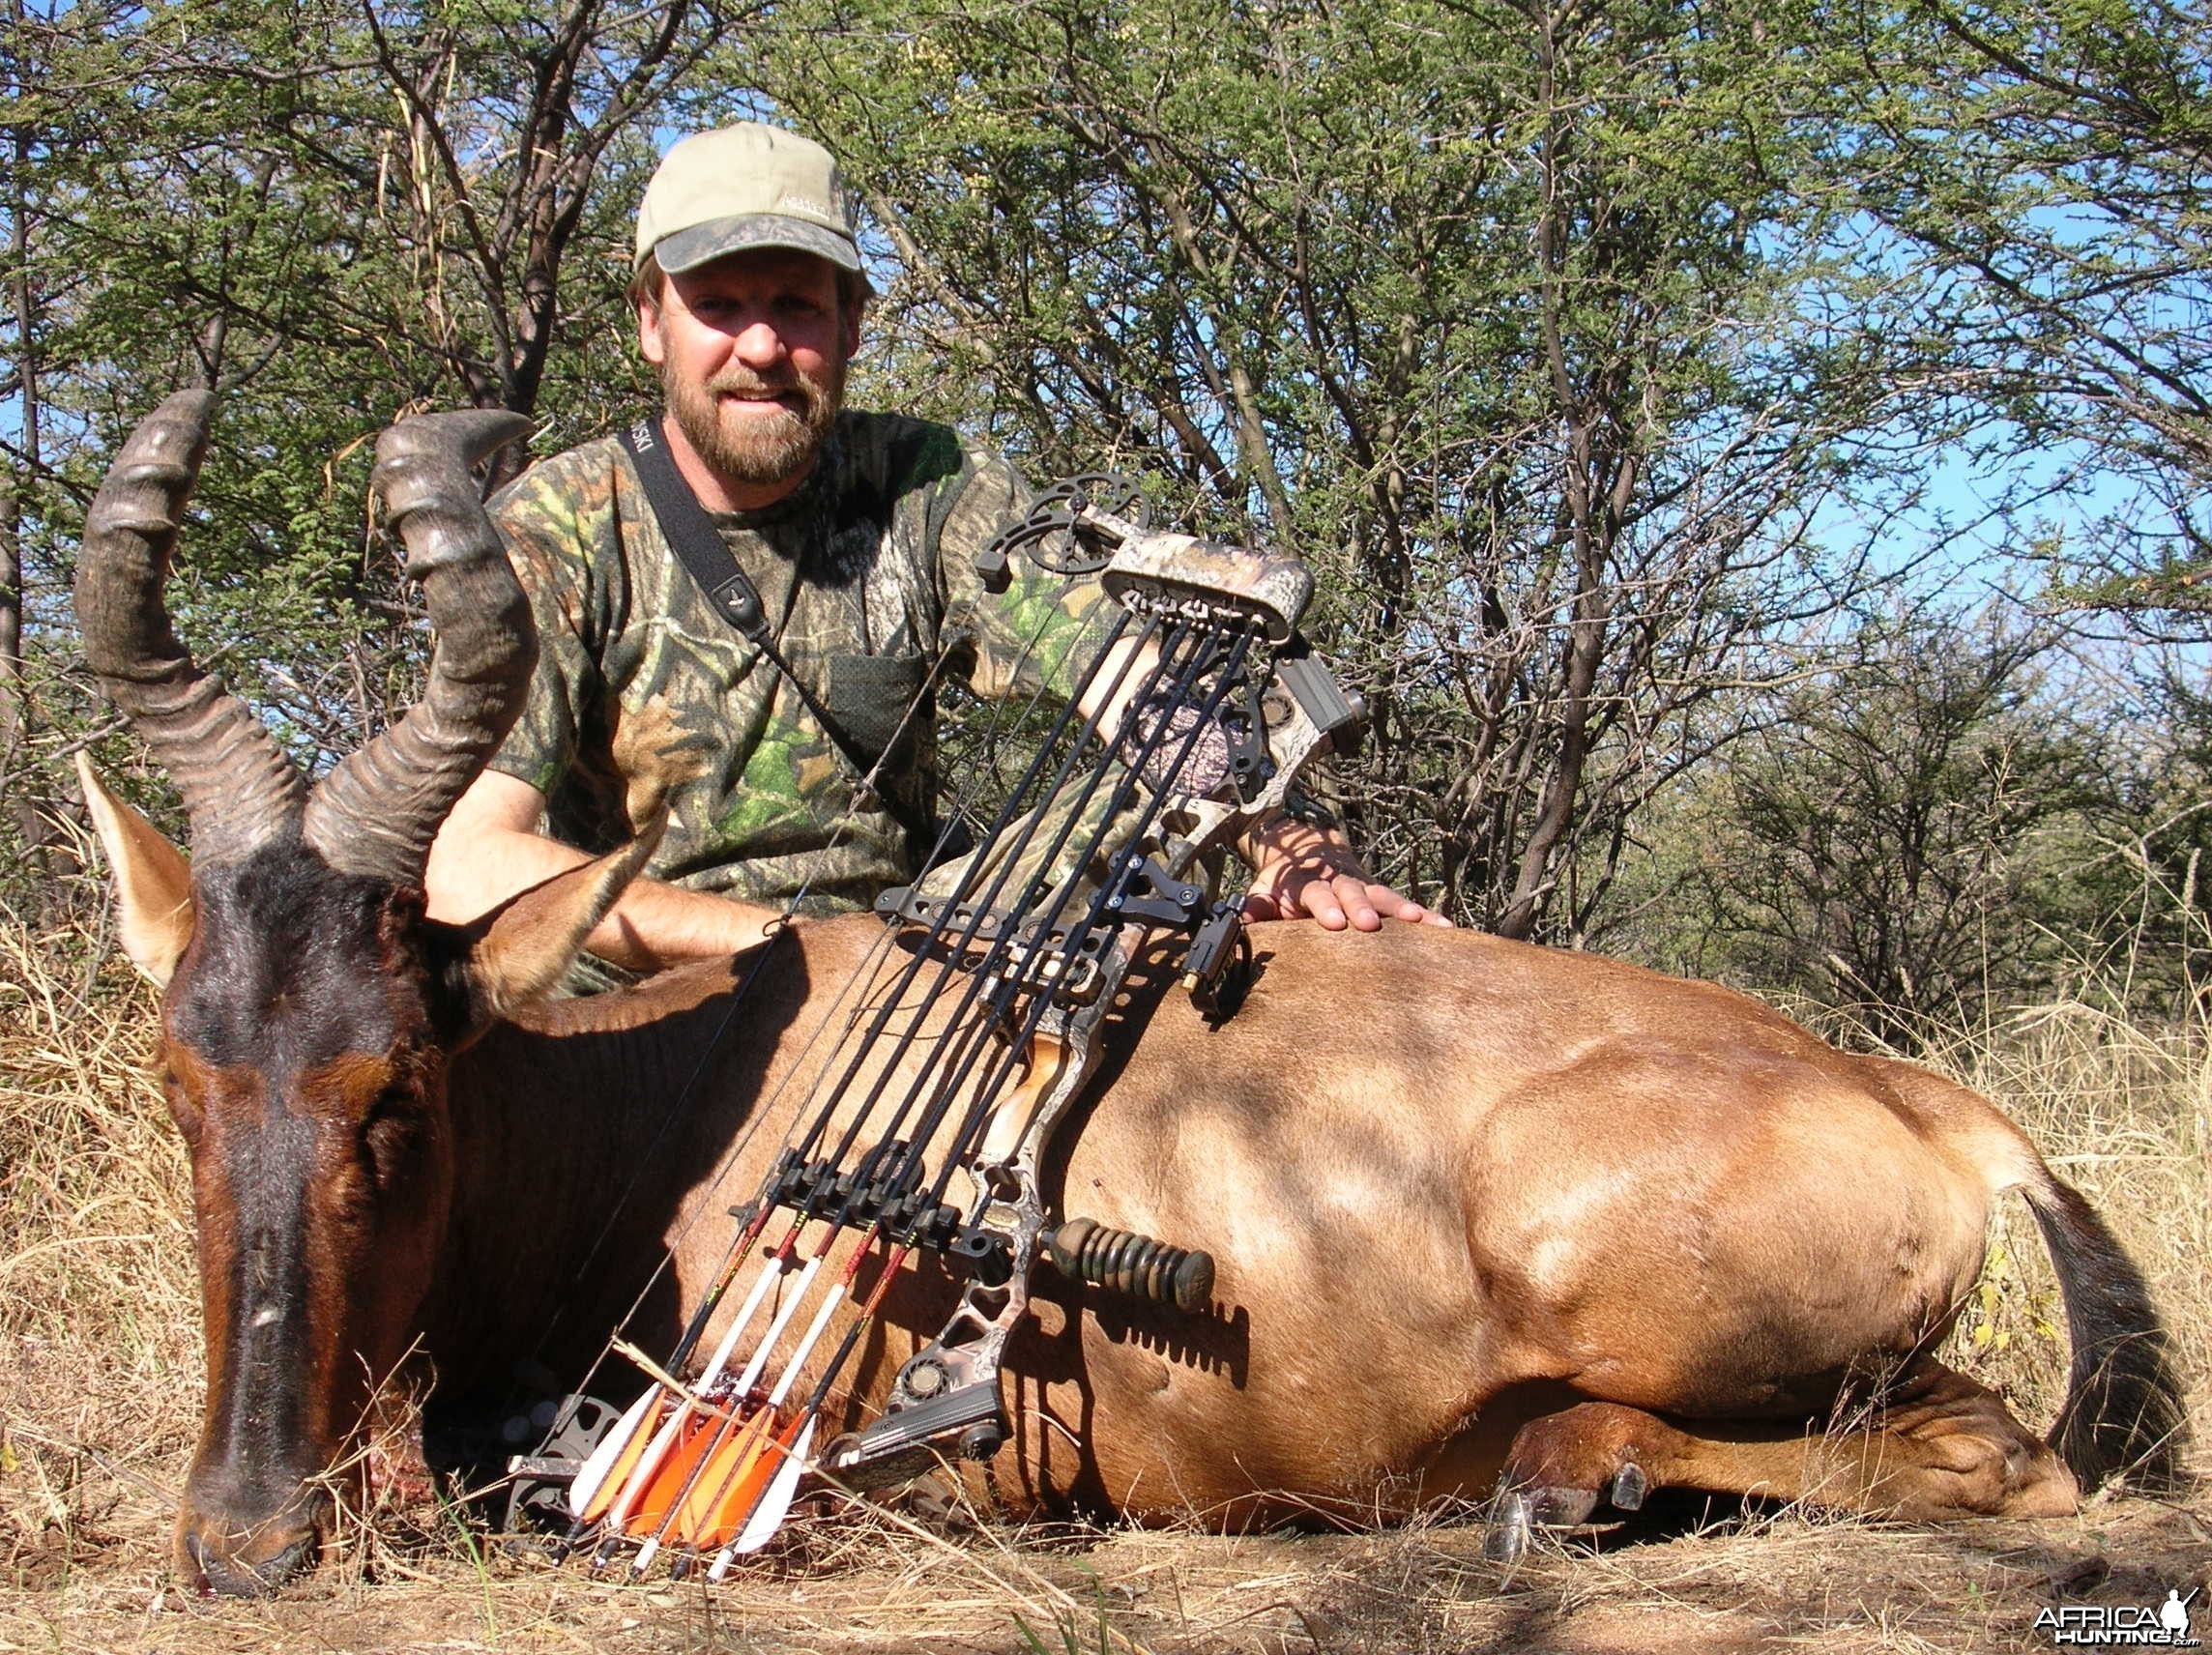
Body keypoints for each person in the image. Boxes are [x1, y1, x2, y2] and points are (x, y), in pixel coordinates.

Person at [423, 123, 1447, 970]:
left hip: (894, 973)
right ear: (650, 322)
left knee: (1148, 810)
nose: (762, 346)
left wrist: (1297, 847)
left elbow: (1136, 671)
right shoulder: (558, 523)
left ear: (853, 323)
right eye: (719, 305)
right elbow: (467, 866)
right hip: (647, 1013)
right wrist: (784, 948)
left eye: (795, 304)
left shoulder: (928, 481)